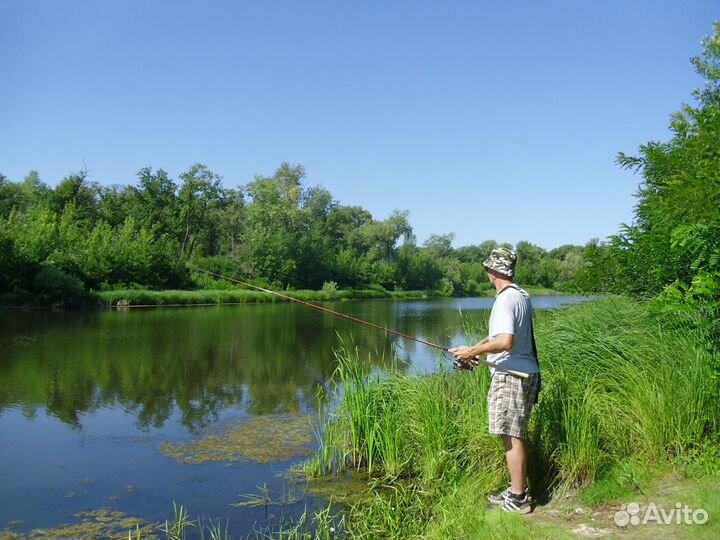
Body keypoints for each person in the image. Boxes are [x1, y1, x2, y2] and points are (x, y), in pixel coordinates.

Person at [449, 247, 541, 514]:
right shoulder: (521, 295)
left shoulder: (504, 300)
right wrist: (472, 351)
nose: (487, 273)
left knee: (512, 435)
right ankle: (515, 490)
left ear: (494, 271)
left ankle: (519, 498)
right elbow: (497, 339)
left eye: (488, 268)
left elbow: (505, 341)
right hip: (522, 371)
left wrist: (473, 352)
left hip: (511, 376)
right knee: (512, 433)